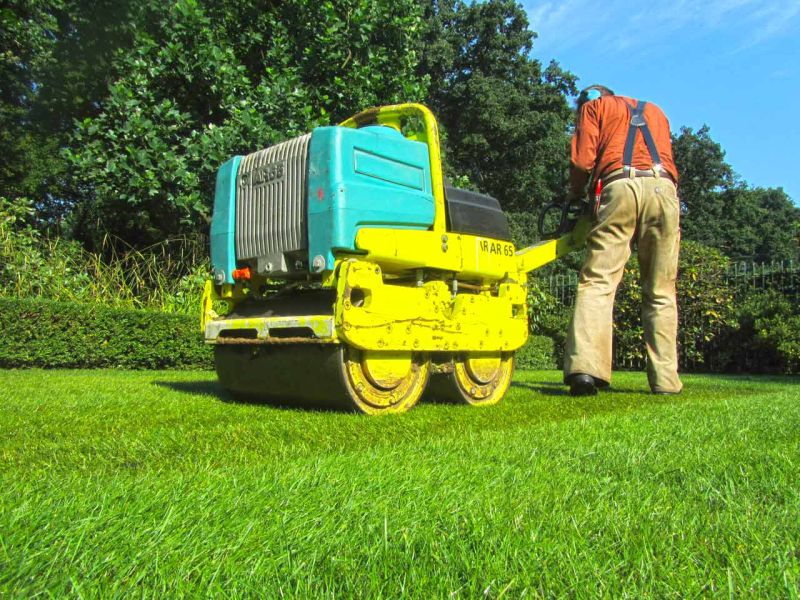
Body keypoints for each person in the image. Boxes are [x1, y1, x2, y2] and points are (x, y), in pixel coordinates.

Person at [563, 84, 682, 396]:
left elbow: (581, 162)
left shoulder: (594, 107)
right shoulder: (656, 110)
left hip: (619, 187)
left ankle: (586, 371)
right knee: (660, 290)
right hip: (664, 191)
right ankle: (666, 381)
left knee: (598, 282)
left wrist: (575, 194)